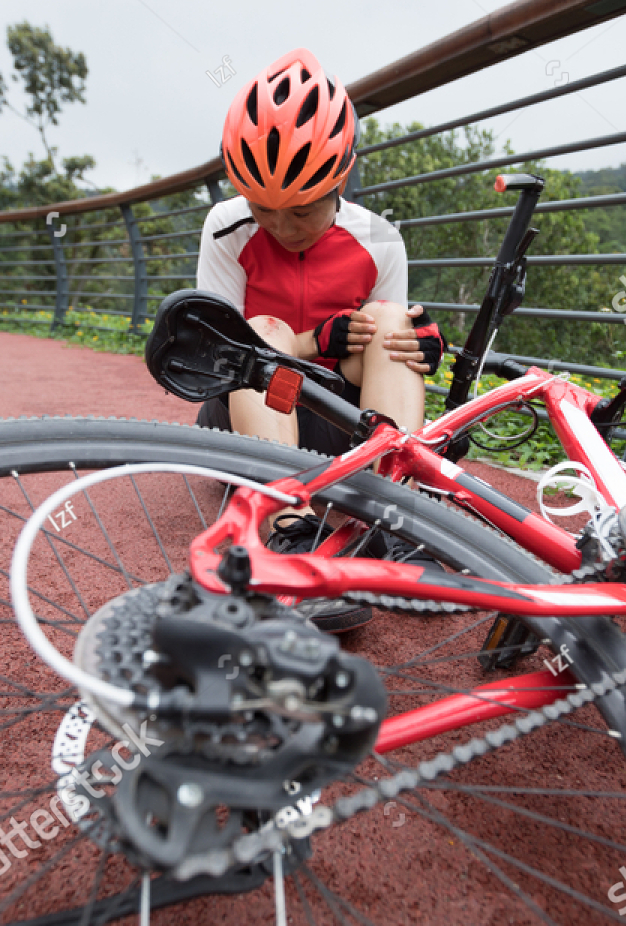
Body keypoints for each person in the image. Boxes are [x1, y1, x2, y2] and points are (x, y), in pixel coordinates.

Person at [193, 47, 445, 630]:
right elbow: (221, 354)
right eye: (263, 209)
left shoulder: (380, 239)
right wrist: (310, 341)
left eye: (300, 212)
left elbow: (377, 358)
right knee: (260, 332)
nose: (279, 228)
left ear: (340, 177)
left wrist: (417, 346)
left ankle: (395, 513)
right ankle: (289, 526)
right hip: (248, 416)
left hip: (339, 422)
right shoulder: (226, 227)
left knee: (389, 321)